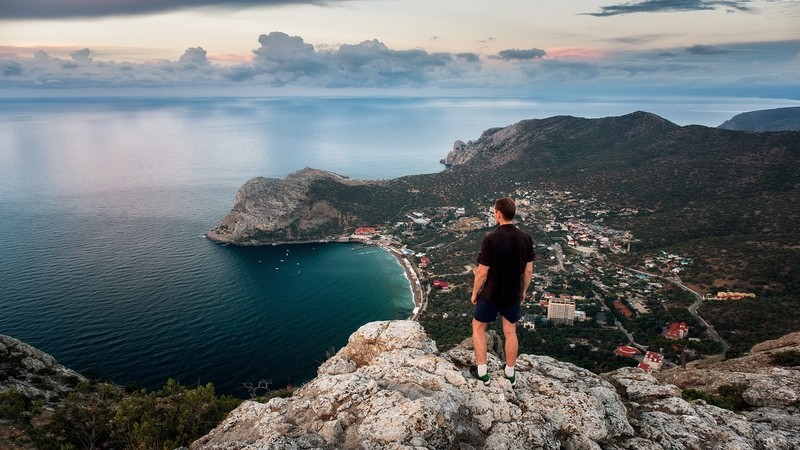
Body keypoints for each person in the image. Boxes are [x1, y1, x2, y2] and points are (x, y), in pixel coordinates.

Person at [469, 197, 534, 386]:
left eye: (494, 212)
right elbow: (528, 270)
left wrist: (475, 293)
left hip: (491, 294)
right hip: (513, 294)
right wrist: (523, 291)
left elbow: (482, 272)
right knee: (510, 331)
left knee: (478, 327)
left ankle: (482, 372)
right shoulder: (526, 238)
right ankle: (510, 374)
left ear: (498, 213)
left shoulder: (491, 238)